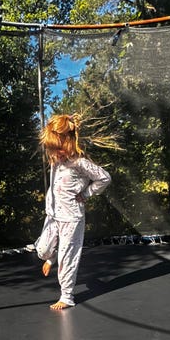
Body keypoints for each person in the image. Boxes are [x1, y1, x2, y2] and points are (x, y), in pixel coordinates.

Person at [35, 113, 111, 310]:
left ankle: (67, 296)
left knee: (67, 257)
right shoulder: (56, 162)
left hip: (71, 217)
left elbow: (104, 178)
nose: (55, 153)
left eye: (58, 148)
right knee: (42, 250)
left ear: (69, 142)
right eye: (52, 149)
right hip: (53, 216)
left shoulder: (80, 163)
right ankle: (52, 257)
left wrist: (85, 193)